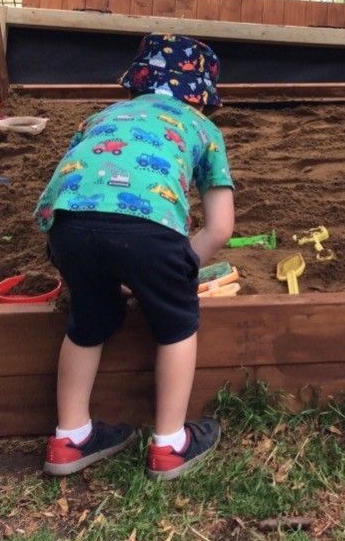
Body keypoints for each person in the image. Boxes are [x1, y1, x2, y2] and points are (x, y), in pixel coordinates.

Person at [35, 33, 235, 480]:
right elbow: (220, 228)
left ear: (135, 86)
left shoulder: (101, 116)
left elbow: (76, 180)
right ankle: (169, 445)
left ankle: (70, 437)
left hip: (69, 224)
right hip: (152, 229)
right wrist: (181, 270)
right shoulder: (203, 128)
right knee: (177, 324)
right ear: (201, 98)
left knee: (88, 320)